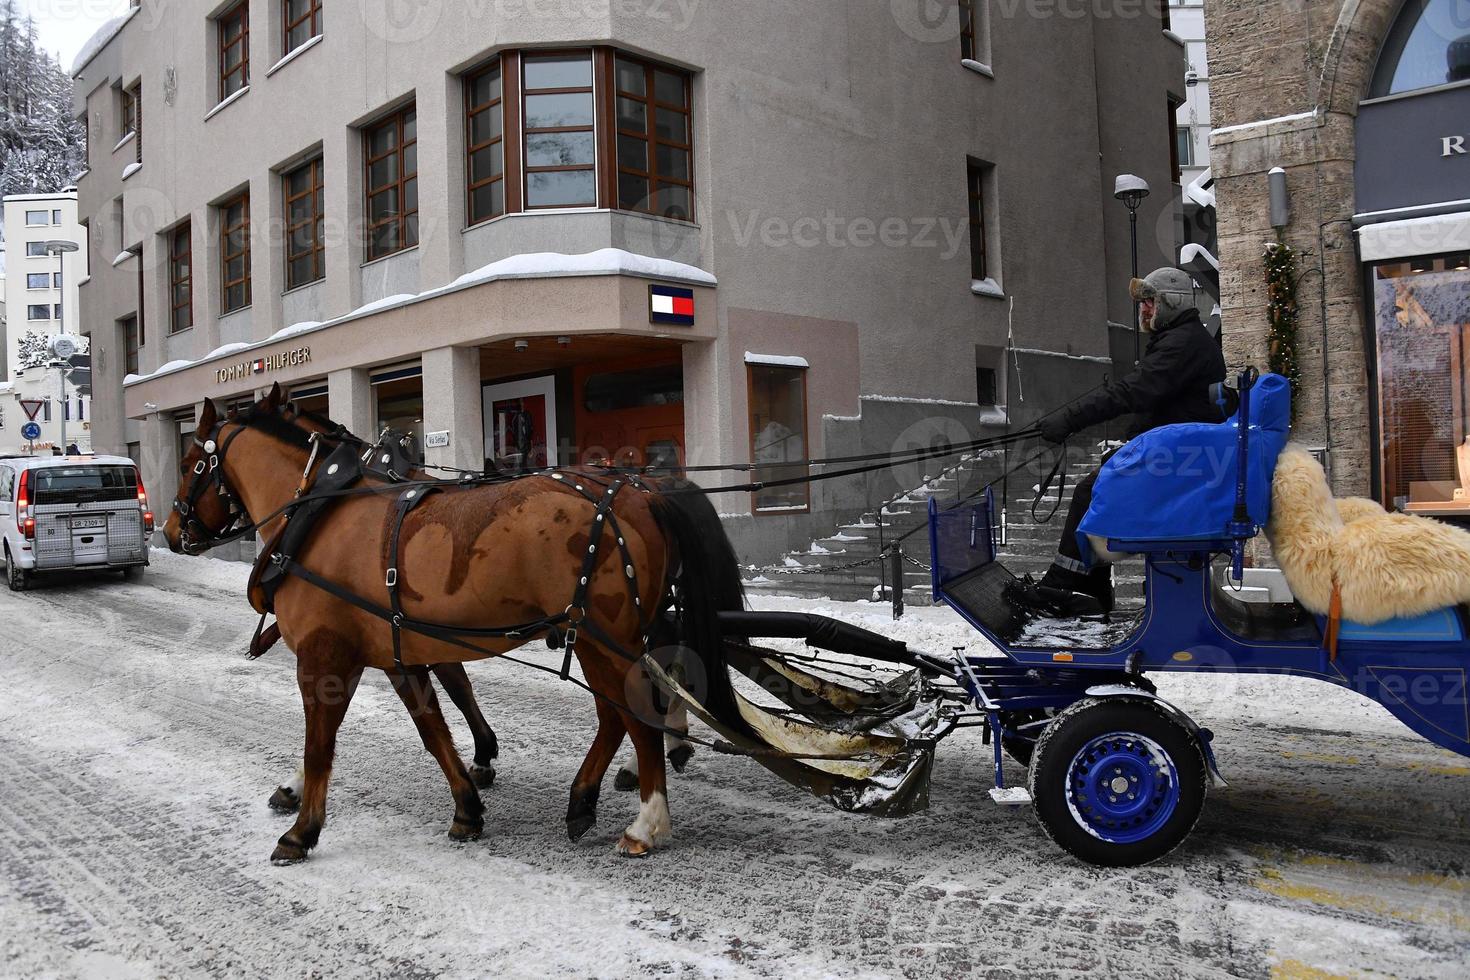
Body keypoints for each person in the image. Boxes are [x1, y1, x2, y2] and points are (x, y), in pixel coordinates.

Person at [1005, 268, 1231, 619]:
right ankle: (1088, 588)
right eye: (1142, 303)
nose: (1143, 310)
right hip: (1176, 459)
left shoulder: (1181, 345)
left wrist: (1069, 419)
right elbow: (1159, 406)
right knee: (1094, 488)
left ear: (1171, 303)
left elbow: (1133, 392)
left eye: (1149, 302)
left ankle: (1067, 585)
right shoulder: (1182, 341)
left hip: (1178, 467)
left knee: (1090, 492)